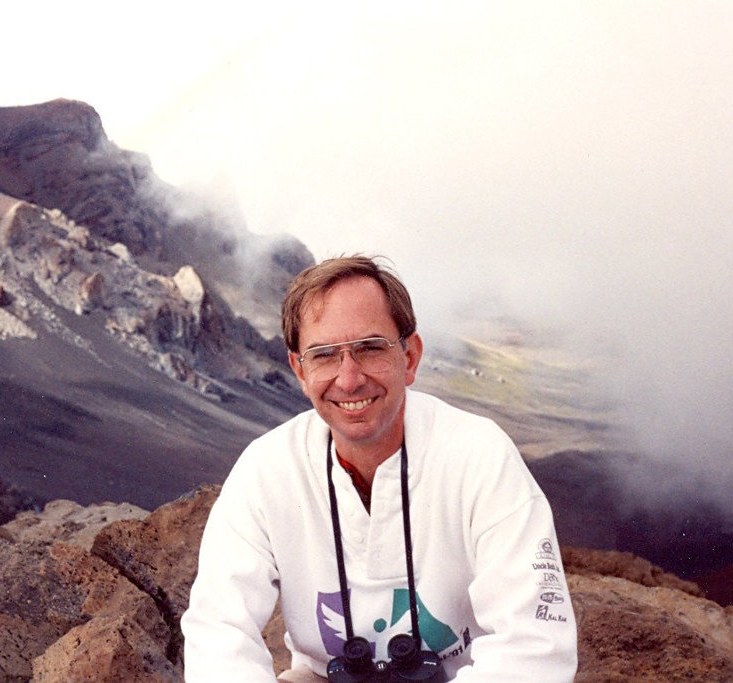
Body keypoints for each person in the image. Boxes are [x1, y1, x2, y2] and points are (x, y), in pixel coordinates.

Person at [182, 255, 578, 681]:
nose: (349, 379)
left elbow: (534, 648)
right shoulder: (267, 471)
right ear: (299, 369)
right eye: (324, 355)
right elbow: (217, 632)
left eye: (370, 348)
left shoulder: (479, 456)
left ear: (409, 357)